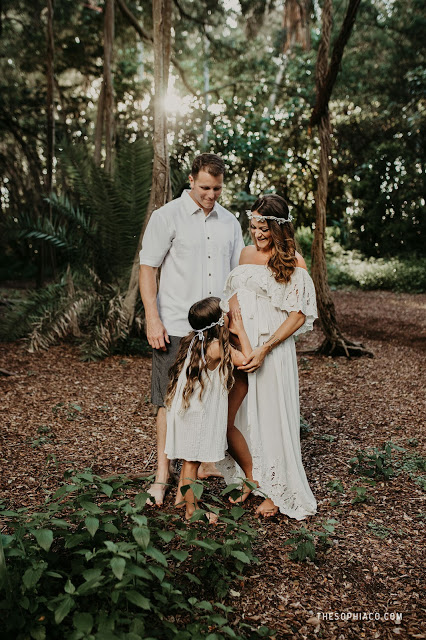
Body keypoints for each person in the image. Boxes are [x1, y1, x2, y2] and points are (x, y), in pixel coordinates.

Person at [139, 154, 245, 505]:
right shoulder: (166, 216)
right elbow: (148, 269)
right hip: (174, 324)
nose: (211, 195)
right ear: (190, 180)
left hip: (217, 330)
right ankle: (162, 476)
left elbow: (235, 280)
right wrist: (152, 319)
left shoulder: (230, 222)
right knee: (168, 402)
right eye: (204, 187)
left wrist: (235, 329)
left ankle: (200, 465)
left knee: (211, 397)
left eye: (217, 189)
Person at [219, 194, 318, 519]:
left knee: (272, 419)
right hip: (240, 347)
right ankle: (250, 478)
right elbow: (231, 299)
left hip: (271, 351)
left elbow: (298, 315)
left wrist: (264, 347)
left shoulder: (293, 260)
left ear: (278, 228)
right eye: (253, 227)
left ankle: (275, 493)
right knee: (234, 416)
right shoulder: (246, 253)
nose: (257, 235)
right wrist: (235, 340)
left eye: (264, 229)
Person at [164, 297, 253, 521]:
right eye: (224, 311)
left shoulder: (196, 342)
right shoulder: (216, 347)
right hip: (197, 416)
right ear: (218, 321)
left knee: (188, 461)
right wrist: (240, 330)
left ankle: (182, 500)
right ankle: (192, 512)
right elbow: (248, 360)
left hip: (186, 412)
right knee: (192, 463)